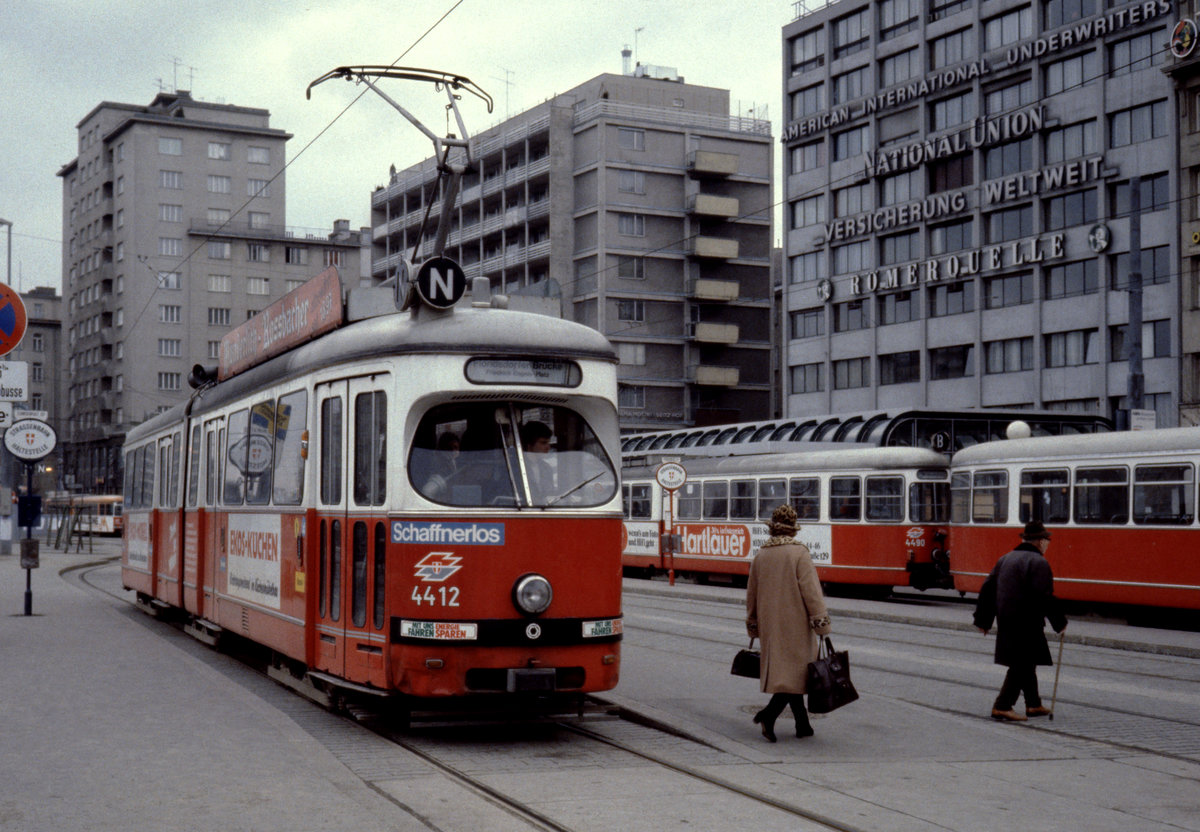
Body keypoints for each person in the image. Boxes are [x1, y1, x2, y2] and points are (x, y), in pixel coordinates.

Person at [745, 503, 831, 742]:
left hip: (771, 625)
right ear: (793, 530)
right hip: (796, 625)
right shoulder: (799, 553)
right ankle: (768, 715)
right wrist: (821, 623)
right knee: (797, 674)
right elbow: (811, 592)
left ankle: (802, 724)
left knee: (789, 675)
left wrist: (753, 624)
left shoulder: (761, 555)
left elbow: (751, 594)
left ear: (773, 529)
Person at [973, 520, 1068, 722]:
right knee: (1021, 664)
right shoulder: (1038, 562)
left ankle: (1033, 704)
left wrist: (984, 620)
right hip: (1027, 621)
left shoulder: (1005, 558)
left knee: (1028, 661)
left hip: (1007, 620)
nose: (1047, 543)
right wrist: (1059, 621)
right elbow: (1044, 596)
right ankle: (1002, 705)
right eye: (1046, 540)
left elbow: (988, 589)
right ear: (1040, 541)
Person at [519, 421, 554, 503]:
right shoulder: (516, 467)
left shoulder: (546, 468)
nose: (548, 447)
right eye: (543, 443)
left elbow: (550, 493)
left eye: (549, 443)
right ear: (529, 444)